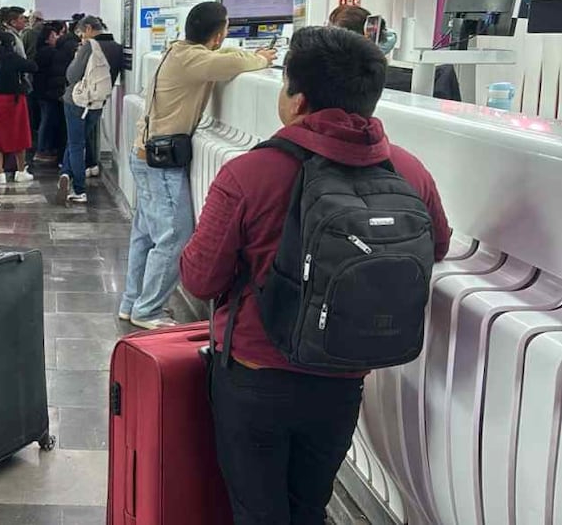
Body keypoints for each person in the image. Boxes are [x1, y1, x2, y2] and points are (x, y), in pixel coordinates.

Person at [180, 26, 452, 524]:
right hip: (343, 375)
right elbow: (437, 245)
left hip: (255, 374)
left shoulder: (251, 173)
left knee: (257, 511)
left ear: (297, 99)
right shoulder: (409, 171)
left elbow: (200, 279)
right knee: (309, 507)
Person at [117, 2, 274, 329]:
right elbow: (234, 62)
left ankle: (132, 302)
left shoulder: (177, 52)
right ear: (218, 35)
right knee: (175, 236)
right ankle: (147, 310)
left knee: (145, 235)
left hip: (145, 154)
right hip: (161, 163)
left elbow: (225, 58)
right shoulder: (195, 59)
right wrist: (261, 58)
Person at [56, 16, 124, 204]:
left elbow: (72, 75)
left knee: (76, 144)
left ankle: (78, 189)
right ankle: (65, 174)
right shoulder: (118, 48)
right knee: (78, 140)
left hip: (77, 101)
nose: (80, 37)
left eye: (80, 33)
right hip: (97, 103)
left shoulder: (89, 46)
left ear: (87, 28)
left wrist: (78, 55)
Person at [0, 24, 38, 185]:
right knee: (19, 134)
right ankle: (21, 171)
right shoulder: (13, 57)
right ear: (13, 44)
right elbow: (33, 67)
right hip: (15, 100)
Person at [32, 22, 64, 163]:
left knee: (46, 119)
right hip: (47, 92)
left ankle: (43, 148)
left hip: (41, 91)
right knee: (47, 120)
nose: (56, 37)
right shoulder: (50, 53)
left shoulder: (39, 52)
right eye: (53, 36)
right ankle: (42, 149)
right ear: (46, 38)